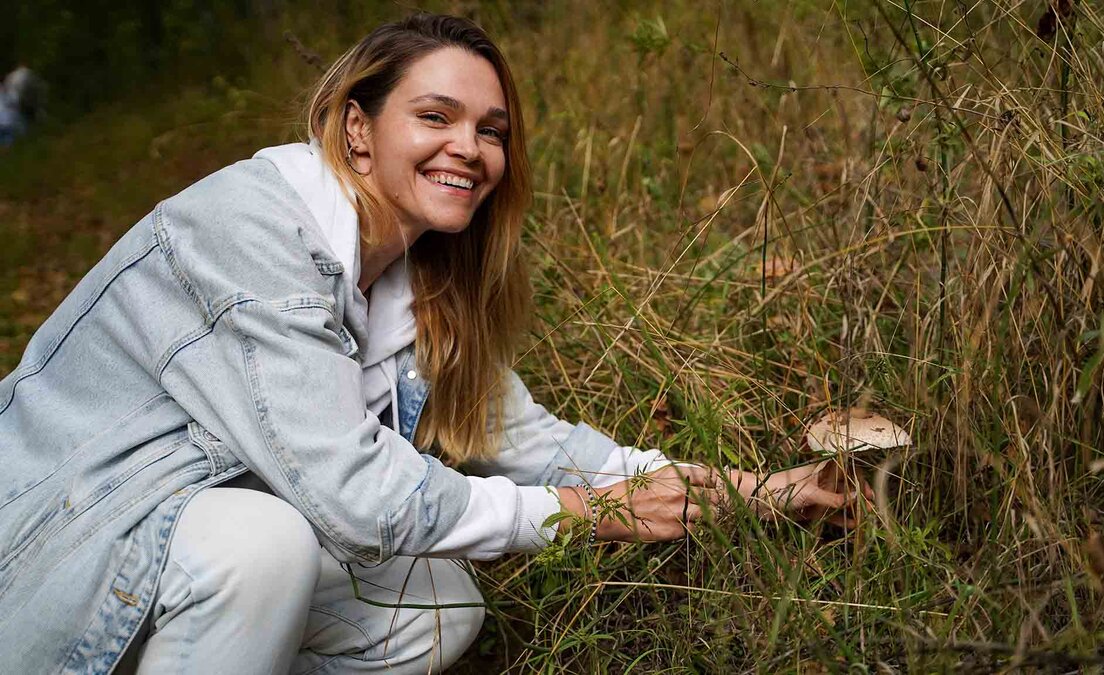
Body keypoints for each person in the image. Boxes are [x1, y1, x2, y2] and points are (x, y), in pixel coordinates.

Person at [0, 14, 868, 674]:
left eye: (490, 130)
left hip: (170, 549)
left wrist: (763, 493)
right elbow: (355, 493)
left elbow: (541, 448)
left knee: (436, 605)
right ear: (356, 129)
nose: (470, 147)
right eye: (436, 116)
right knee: (262, 544)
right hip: (51, 547)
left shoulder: (416, 283)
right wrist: (581, 518)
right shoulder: (248, 232)